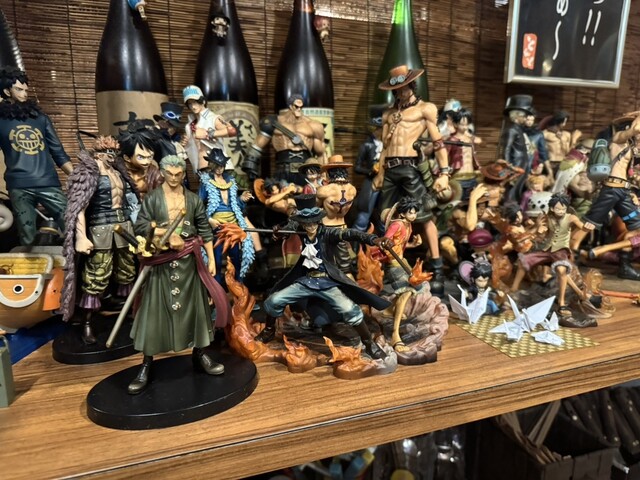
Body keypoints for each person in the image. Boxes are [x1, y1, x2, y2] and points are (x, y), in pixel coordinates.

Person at [127, 155, 230, 394]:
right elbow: (141, 226)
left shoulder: (192, 199)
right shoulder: (153, 198)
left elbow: (204, 229)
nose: (174, 179)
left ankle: (200, 353)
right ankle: (146, 362)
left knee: (197, 310)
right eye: (169, 174)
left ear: (184, 174)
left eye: (178, 174)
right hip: (160, 261)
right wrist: (163, 233)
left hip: (189, 260)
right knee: (154, 312)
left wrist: (211, 259)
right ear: (162, 173)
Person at [256, 194, 393, 360]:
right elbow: (287, 229)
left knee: (350, 310)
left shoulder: (328, 233)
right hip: (305, 281)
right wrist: (279, 232)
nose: (310, 226)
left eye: (314, 221)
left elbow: (351, 234)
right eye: (306, 223)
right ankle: (269, 330)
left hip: (326, 282)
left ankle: (369, 343)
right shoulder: (300, 230)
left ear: (319, 220)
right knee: (273, 301)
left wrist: (374, 239)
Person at [372, 65, 451, 295]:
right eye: (397, 89)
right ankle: (391, 266)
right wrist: (380, 173)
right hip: (390, 169)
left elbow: (438, 143)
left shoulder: (425, 109)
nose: (401, 92)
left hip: (410, 168)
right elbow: (385, 146)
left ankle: (437, 267)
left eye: (404, 87)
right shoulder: (389, 114)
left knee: (424, 217)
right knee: (387, 217)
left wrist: (444, 173)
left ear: (412, 85)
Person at [60, 136, 138, 344]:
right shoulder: (87, 173)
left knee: (128, 272)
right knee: (96, 277)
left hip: (124, 228)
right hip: (100, 230)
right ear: (98, 153)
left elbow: (130, 201)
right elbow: (78, 208)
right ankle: (87, 322)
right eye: (108, 153)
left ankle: (133, 313)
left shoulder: (118, 171)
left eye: (114, 153)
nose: (112, 156)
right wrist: (81, 236)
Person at [0, 66, 73, 245]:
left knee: (72, 225)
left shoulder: (40, 118)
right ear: (7, 91)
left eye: (26, 90)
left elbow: (58, 151)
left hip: (47, 181)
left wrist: (77, 177)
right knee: (27, 236)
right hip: (19, 185)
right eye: (19, 89)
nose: (24, 94)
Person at [571, 113, 640, 280]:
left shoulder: (630, 147)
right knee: (588, 225)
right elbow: (635, 129)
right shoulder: (618, 139)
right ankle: (569, 255)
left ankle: (624, 266)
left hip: (622, 193)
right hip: (611, 190)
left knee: (637, 228)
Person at [511, 193, 591, 320]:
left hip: (560, 251)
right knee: (523, 261)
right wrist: (539, 227)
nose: (561, 211)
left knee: (562, 270)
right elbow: (539, 233)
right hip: (547, 250)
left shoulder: (570, 218)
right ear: (552, 208)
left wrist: (586, 228)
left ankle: (562, 303)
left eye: (563, 208)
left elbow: (581, 226)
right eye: (558, 209)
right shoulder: (547, 218)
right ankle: (513, 289)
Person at [198, 149, 259, 285]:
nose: (219, 168)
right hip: (217, 225)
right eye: (216, 165)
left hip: (233, 224)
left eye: (221, 165)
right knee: (217, 258)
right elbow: (198, 205)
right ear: (211, 164)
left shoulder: (230, 180)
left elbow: (234, 204)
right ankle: (217, 288)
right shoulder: (206, 182)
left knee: (236, 257)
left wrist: (241, 199)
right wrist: (209, 219)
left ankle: (238, 286)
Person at [373, 197, 424, 351]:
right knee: (406, 292)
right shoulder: (396, 225)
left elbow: (400, 246)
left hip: (402, 261)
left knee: (415, 286)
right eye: (411, 212)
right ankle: (395, 335)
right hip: (393, 264)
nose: (414, 215)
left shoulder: (408, 225)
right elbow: (385, 241)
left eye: (415, 212)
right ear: (402, 214)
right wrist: (386, 245)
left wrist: (413, 244)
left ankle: (390, 310)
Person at [241, 94, 326, 185]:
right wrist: (251, 166)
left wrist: (322, 177)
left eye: (301, 107)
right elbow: (257, 146)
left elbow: (321, 153)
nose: (299, 109)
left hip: (305, 171)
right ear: (290, 106)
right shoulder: (274, 122)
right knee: (280, 192)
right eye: (296, 106)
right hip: (282, 171)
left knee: (307, 193)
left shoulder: (314, 125)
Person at [182, 85, 237, 173]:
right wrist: (185, 142)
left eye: (195, 102)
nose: (193, 106)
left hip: (218, 166)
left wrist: (209, 134)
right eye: (190, 103)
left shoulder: (212, 118)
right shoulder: (191, 124)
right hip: (201, 167)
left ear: (203, 101)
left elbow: (232, 131)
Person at [353, 105, 384, 233]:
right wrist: (371, 171)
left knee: (385, 217)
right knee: (363, 217)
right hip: (372, 183)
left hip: (387, 183)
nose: (380, 131)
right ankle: (355, 241)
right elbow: (357, 167)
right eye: (378, 128)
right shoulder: (366, 145)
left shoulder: (389, 145)